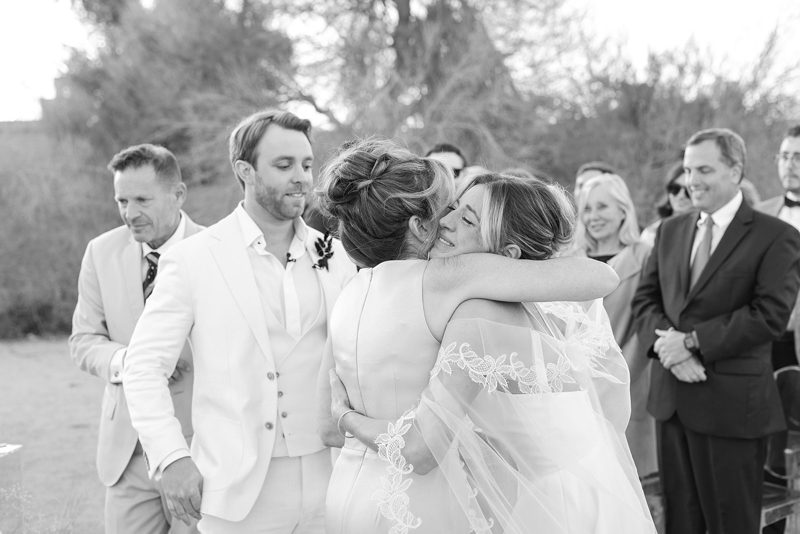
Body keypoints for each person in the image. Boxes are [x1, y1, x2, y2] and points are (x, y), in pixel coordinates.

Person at [313, 140, 653, 533]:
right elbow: (600, 277)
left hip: (348, 500)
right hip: (425, 510)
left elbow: (324, 426)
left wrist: (345, 417)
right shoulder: (454, 281)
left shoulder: (348, 294)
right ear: (418, 226)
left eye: (465, 216)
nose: (447, 221)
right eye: (448, 208)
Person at [122, 110, 357, 534]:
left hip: (333, 480)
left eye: (306, 164)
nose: (302, 177)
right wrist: (172, 456)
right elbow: (142, 367)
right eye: (283, 166)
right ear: (244, 171)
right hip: (237, 490)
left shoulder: (337, 254)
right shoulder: (194, 259)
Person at [632, 128, 800, 534]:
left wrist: (691, 342)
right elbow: (645, 303)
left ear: (735, 170)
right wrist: (670, 349)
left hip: (732, 408)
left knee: (731, 526)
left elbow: (769, 315)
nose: (692, 181)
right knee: (681, 524)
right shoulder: (670, 231)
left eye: (704, 169)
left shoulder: (776, 236)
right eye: (688, 170)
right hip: (671, 401)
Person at [69, 144, 202, 534]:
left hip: (198, 446)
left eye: (142, 199)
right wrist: (132, 362)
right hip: (126, 453)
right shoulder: (100, 252)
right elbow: (84, 340)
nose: (130, 213)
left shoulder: (215, 251)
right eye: (121, 200)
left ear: (178, 194)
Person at [572, 173, 656, 477]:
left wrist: (616, 373)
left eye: (603, 207)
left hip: (631, 379)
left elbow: (648, 317)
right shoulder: (570, 257)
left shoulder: (645, 255)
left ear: (623, 209)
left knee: (630, 477)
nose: (594, 217)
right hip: (577, 384)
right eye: (588, 208)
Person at [756, 125, 800, 372]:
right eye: (784, 156)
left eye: (798, 156)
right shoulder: (759, 213)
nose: (789, 164)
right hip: (762, 343)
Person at [639, 162, 694, 247]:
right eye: (675, 188)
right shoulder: (652, 233)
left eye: (688, 190)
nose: (681, 196)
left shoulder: (704, 231)